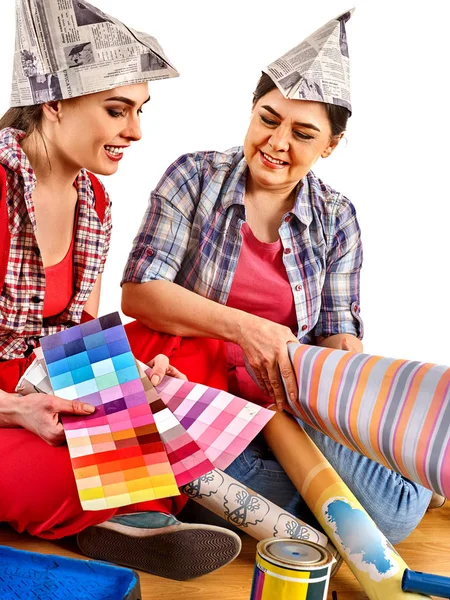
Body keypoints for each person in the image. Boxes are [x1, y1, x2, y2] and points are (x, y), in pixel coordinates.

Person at [121, 12, 434, 544]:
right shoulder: (192, 178)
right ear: (252, 111)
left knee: (397, 505)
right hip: (202, 398)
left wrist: (346, 399)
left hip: (294, 406)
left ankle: (268, 507)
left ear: (329, 145)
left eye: (303, 133)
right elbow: (141, 292)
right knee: (388, 514)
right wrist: (248, 329)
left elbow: (338, 334)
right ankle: (315, 507)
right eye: (268, 119)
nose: (277, 141)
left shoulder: (337, 216)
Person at [0, 0, 241, 582]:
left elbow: (73, 338)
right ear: (53, 102)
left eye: (139, 111)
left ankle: (125, 511)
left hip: (31, 375)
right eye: (117, 110)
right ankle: (135, 509)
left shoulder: (95, 202)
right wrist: (18, 410)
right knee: (75, 467)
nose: (135, 131)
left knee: (191, 355)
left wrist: (129, 378)